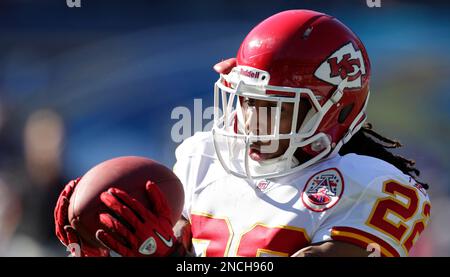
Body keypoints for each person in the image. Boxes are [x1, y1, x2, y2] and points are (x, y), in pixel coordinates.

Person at [54, 9, 431, 257]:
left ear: (336, 110)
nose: (251, 120)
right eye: (248, 101)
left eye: (274, 107)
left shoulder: (372, 185)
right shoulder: (202, 158)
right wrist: (97, 242)